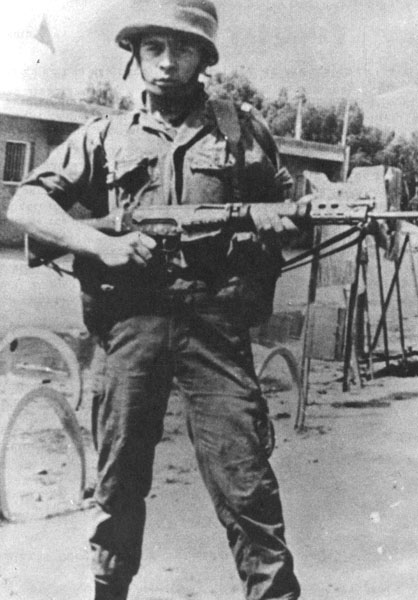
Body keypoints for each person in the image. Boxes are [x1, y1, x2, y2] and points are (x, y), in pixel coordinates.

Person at [7, 1, 301, 599]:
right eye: (154, 48)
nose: (168, 62)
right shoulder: (104, 135)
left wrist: (280, 222)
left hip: (213, 324)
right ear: (136, 56)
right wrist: (101, 243)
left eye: (183, 48)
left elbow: (290, 211)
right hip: (131, 324)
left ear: (204, 57)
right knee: (118, 481)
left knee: (245, 480)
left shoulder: (242, 132)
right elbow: (26, 204)